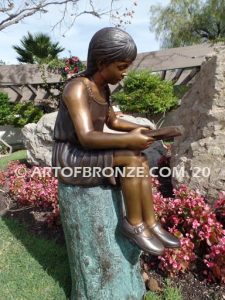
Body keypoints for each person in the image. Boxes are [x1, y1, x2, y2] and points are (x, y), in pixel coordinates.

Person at [52, 27, 180, 255]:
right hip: (71, 156)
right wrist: (129, 139)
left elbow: (113, 122)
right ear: (102, 63)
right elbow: (87, 136)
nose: (125, 73)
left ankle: (150, 222)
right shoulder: (77, 88)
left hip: (86, 151)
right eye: (121, 67)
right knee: (132, 160)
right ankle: (133, 224)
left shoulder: (103, 89)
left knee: (140, 160)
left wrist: (142, 129)